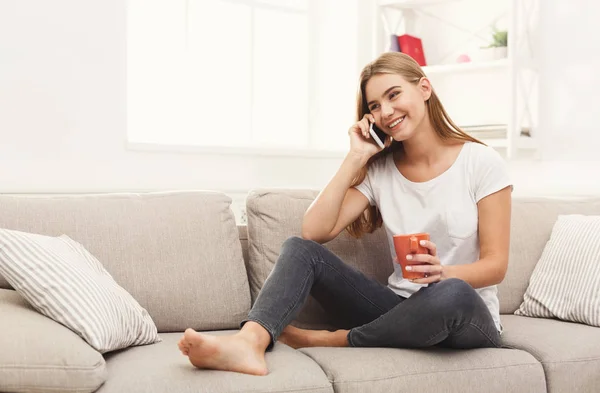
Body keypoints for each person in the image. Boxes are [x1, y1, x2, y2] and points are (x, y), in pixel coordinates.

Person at [177, 52, 512, 376]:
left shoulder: (480, 162)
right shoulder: (381, 171)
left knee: (451, 292)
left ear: (424, 89)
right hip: (398, 308)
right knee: (300, 249)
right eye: (375, 106)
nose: (387, 111)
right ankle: (248, 342)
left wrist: (444, 273)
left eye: (394, 94)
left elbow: (495, 266)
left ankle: (335, 339)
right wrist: (356, 157)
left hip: (466, 315)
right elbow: (314, 231)